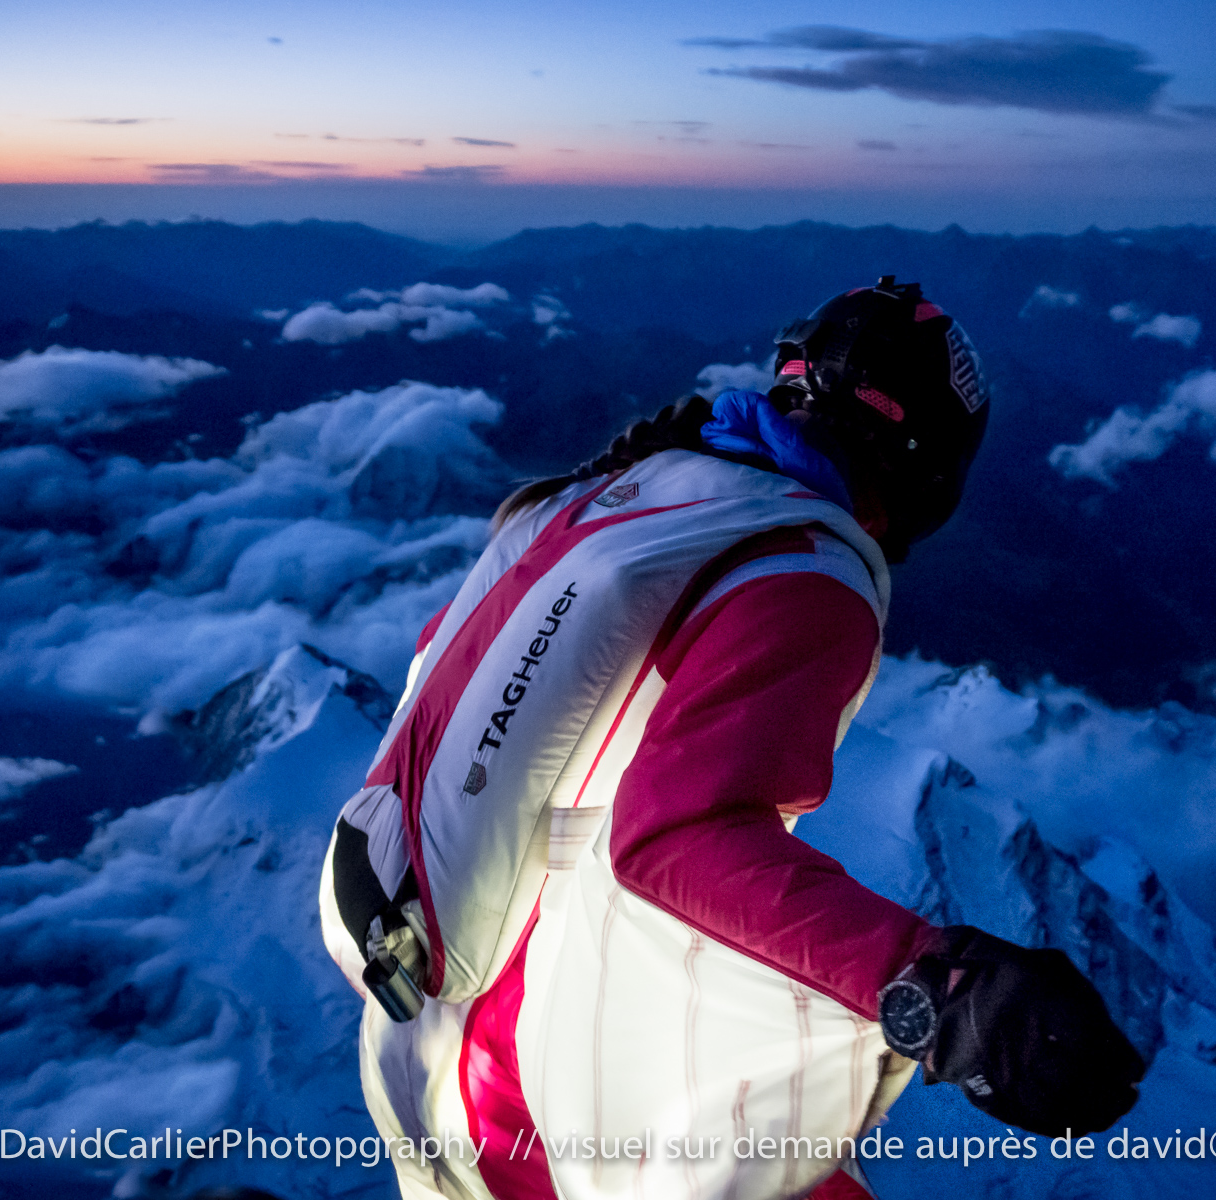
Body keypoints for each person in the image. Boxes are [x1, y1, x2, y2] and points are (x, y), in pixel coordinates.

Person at [319, 277, 1144, 1200]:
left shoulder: (599, 502)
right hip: (532, 1102)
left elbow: (449, 681)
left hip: (415, 1060)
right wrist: (943, 992)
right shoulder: (802, 567)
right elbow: (677, 838)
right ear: (928, 462)